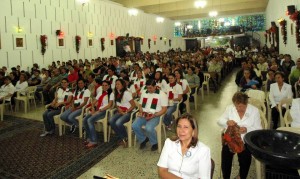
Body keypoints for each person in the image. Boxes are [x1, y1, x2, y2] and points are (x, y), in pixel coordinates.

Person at [218, 92, 262, 179]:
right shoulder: (230, 108)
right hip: (231, 140)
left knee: (245, 159)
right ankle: (225, 177)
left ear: (246, 104)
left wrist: (247, 129)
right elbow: (219, 120)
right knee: (226, 156)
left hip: (245, 140)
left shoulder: (254, 111)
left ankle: (241, 176)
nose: (238, 109)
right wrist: (227, 122)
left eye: (241, 106)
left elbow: (259, 129)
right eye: (236, 106)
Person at [157, 113, 211, 179]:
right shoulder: (169, 143)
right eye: (179, 126)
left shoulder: (203, 150)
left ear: (193, 131)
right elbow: (162, 171)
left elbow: (204, 177)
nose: (181, 131)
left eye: (186, 127)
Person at [132, 79, 168, 151]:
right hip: (145, 114)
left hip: (156, 115)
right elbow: (140, 104)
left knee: (148, 128)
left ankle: (154, 143)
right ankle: (143, 139)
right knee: (134, 126)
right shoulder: (145, 93)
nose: (149, 89)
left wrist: (154, 115)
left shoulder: (162, 94)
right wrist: (141, 111)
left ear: (155, 87)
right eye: (147, 87)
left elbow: (164, 109)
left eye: (150, 88)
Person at [83, 80, 113, 148]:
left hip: (104, 111)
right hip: (97, 110)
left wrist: (99, 111)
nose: (104, 87)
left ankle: (94, 141)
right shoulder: (100, 92)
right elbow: (93, 102)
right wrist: (93, 109)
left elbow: (109, 105)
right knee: (85, 120)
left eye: (106, 85)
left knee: (90, 120)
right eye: (103, 85)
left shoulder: (111, 94)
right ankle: (90, 137)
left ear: (109, 86)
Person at [109, 79, 136, 147]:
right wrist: (119, 110)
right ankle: (123, 137)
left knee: (118, 122)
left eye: (118, 84)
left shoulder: (126, 93)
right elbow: (116, 104)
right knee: (111, 121)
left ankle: (125, 138)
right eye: (116, 84)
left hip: (129, 111)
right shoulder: (116, 93)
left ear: (123, 85)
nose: (117, 86)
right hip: (121, 111)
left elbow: (133, 105)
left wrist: (126, 112)